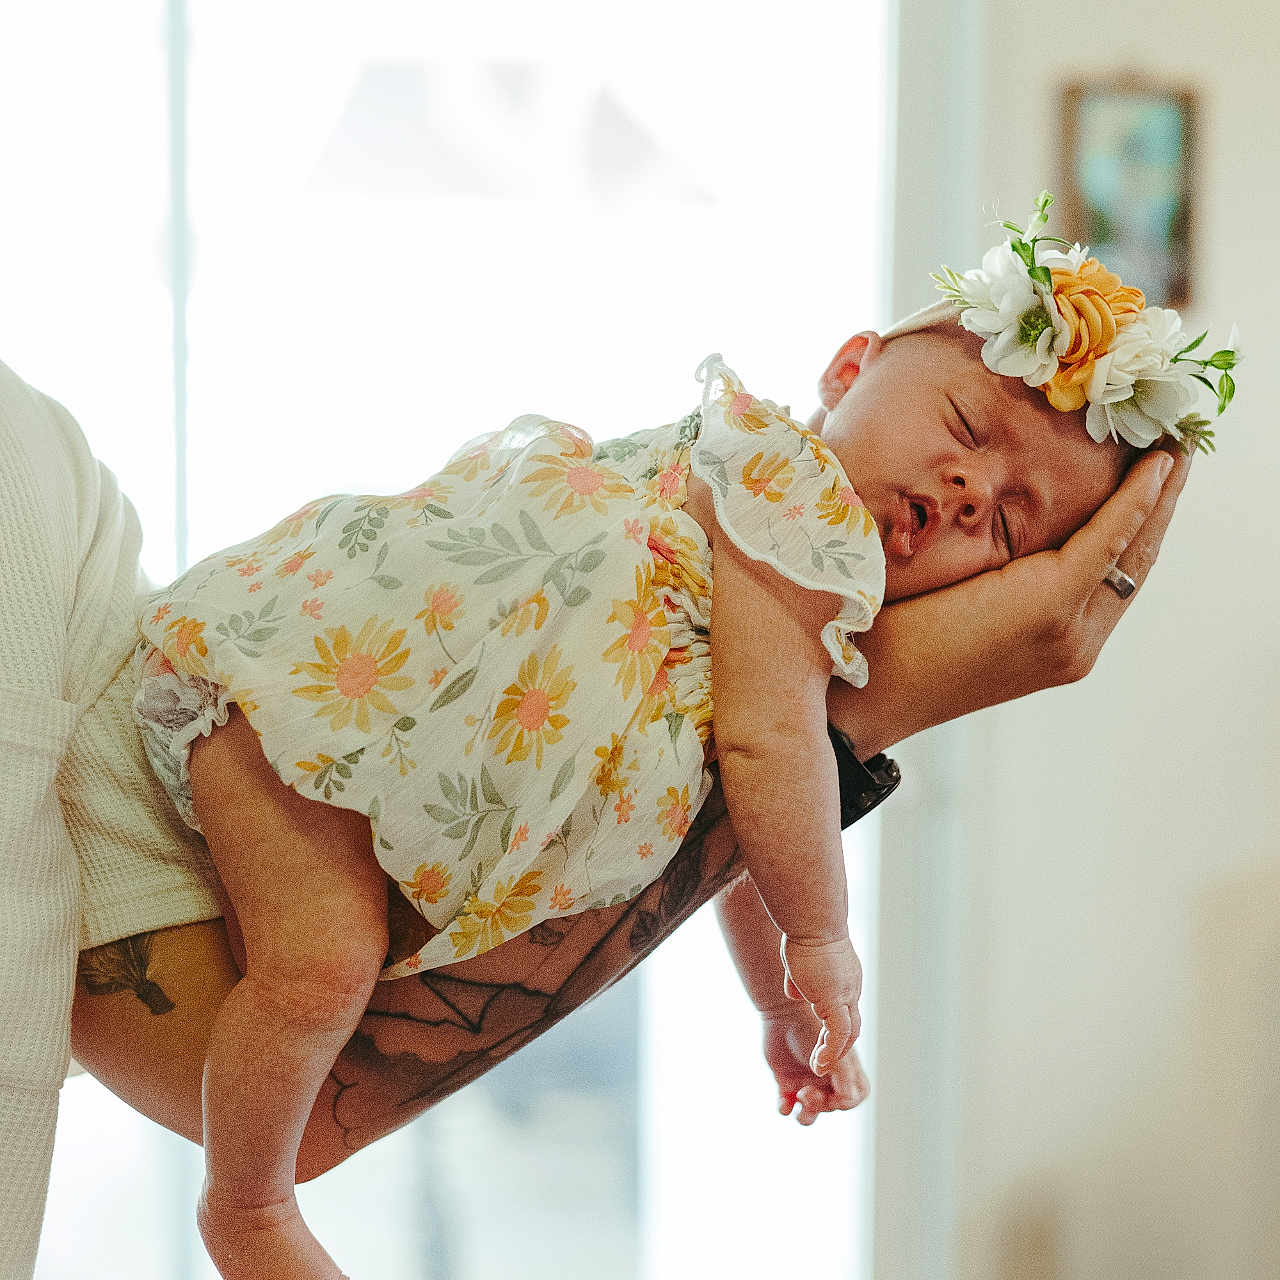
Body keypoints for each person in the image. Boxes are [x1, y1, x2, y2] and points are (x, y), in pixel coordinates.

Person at [0, 191, 1214, 1278]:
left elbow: (752, 793)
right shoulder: (789, 501)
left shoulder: (793, 591)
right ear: (847, 366)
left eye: (1005, 524)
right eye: (962, 426)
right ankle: (246, 1207)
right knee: (317, 968)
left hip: (326, 748)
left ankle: (253, 1182)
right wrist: (821, 939)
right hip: (304, 728)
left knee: (325, 964)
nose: (962, 494)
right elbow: (765, 755)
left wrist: (771, 1001)